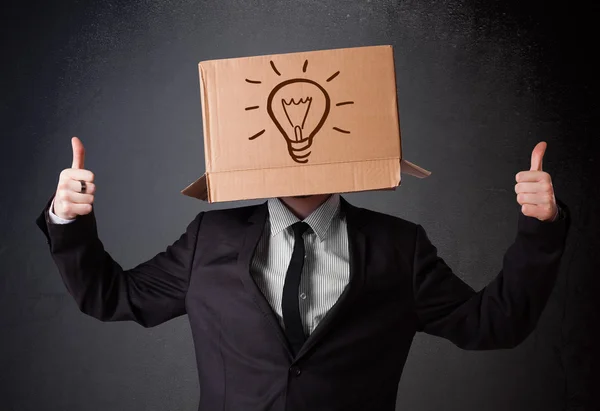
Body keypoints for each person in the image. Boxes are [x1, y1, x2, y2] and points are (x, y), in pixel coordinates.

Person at [37, 136, 570, 411]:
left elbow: (493, 323)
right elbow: (111, 296)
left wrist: (541, 228)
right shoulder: (209, 238)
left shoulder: (397, 246)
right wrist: (68, 220)